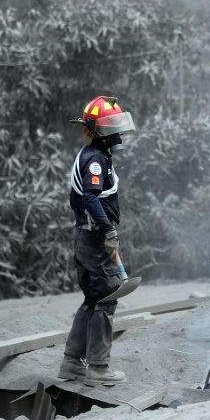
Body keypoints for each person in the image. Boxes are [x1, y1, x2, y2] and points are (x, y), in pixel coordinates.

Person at [58, 96, 136, 386]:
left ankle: (71, 362)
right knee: (107, 298)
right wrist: (108, 230)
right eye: (111, 127)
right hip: (94, 239)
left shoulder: (94, 155)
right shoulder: (95, 160)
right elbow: (90, 197)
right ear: (97, 130)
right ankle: (99, 367)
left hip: (84, 237)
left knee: (92, 299)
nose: (118, 133)